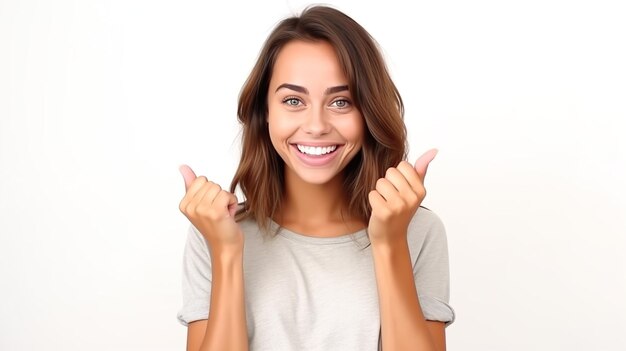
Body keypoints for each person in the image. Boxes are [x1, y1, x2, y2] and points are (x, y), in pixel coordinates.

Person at [176, 5, 454, 351]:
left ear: (368, 113)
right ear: (265, 113)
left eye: (341, 102)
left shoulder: (418, 231)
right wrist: (227, 253)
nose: (317, 126)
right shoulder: (214, 232)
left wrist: (389, 242)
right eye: (293, 100)